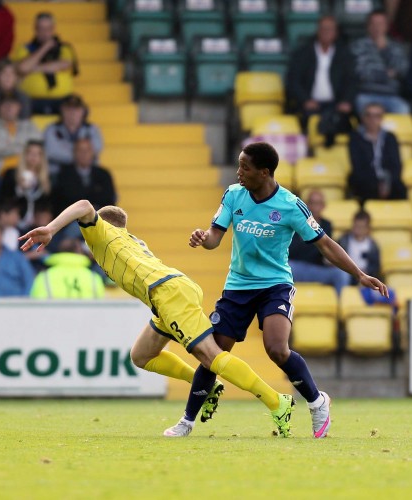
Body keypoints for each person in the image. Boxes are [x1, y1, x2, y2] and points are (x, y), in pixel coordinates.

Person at [19, 200, 298, 437]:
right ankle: (208, 385)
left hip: (167, 293)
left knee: (211, 356)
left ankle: (277, 402)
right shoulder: (131, 240)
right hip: (168, 293)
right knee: (142, 355)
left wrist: (51, 228)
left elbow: (83, 206)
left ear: (104, 225)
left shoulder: (101, 232)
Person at [166, 142, 388, 438]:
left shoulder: (290, 205)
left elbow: (325, 244)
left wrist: (359, 274)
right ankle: (187, 421)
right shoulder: (234, 195)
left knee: (276, 349)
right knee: (213, 353)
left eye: (245, 167)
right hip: (238, 285)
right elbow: (214, 238)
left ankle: (317, 402)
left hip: (275, 286)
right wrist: (202, 237)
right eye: (239, 165)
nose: (239, 172)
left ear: (264, 172)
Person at [285, 15, 355, 147]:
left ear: (336, 33)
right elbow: (293, 81)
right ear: (317, 30)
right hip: (310, 105)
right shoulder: (302, 53)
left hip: (335, 105)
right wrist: (305, 100)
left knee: (343, 120)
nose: (326, 32)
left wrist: (346, 101)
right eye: (323, 28)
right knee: (311, 121)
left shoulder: (345, 55)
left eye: (330, 29)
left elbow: (352, 81)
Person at [15, 11, 79, 114]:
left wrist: (33, 68)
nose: (45, 32)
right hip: (31, 99)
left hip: (62, 99)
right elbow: (22, 68)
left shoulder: (64, 48)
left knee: (79, 110)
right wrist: (45, 47)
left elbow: (64, 64)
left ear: (53, 29)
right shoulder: (25, 48)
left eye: (48, 29)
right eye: (41, 28)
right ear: (35, 29)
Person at [288, 190, 350, 294]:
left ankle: (340, 307)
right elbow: (292, 250)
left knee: (341, 273)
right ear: (307, 205)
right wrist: (317, 247)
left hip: (318, 268)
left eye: (318, 203)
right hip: (298, 266)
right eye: (312, 203)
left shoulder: (327, 224)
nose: (315, 207)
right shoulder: (297, 221)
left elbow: (325, 251)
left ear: (323, 206)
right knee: (286, 268)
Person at [350, 9, 410, 115]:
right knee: (365, 110)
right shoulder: (358, 46)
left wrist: (384, 49)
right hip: (366, 95)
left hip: (391, 96)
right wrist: (388, 74)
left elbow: (402, 69)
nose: (377, 27)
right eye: (373, 24)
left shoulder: (395, 47)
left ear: (386, 26)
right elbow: (361, 73)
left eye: (380, 24)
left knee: (403, 109)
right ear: (367, 26)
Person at [348, 102, 406, 201]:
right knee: (358, 181)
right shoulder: (356, 138)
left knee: (400, 187)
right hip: (366, 179)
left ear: (382, 118)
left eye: (377, 116)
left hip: (388, 179)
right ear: (363, 118)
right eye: (368, 115)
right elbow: (357, 165)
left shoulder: (390, 137)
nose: (372, 119)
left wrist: (386, 182)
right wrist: (376, 182)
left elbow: (396, 164)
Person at [0, 95, 42, 181]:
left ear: (19, 107)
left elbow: (37, 146)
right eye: (5, 105)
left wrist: (6, 146)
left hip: (25, 175)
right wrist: (22, 147)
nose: (9, 108)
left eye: (13, 105)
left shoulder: (29, 126)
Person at [43, 94, 104, 182]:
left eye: (76, 109)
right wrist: (81, 155)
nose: (73, 113)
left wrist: (67, 151)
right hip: (57, 173)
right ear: (62, 110)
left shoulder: (92, 129)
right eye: (68, 109)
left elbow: (97, 149)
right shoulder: (51, 129)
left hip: (86, 173)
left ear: (83, 111)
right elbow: (51, 151)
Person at [51, 138, 116, 216]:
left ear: (92, 153)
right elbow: (61, 201)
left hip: (99, 218)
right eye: (80, 150)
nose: (84, 153)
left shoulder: (103, 175)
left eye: (87, 150)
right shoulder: (64, 175)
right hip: (72, 219)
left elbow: (109, 201)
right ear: (74, 153)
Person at [0, 140, 52, 231]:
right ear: (24, 155)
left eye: (38, 154)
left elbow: (47, 205)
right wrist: (19, 189)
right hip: (14, 223)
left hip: (37, 225)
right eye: (30, 152)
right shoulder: (11, 174)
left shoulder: (47, 180)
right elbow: (3, 200)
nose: (33, 156)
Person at [30, 239, 104, 299]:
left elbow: (36, 307)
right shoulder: (94, 278)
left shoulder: (44, 277)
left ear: (60, 252)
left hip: (53, 317)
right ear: (79, 252)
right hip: (86, 317)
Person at [338, 210, 381, 285]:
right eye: (356, 226)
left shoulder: (373, 246)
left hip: (366, 277)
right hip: (347, 274)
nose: (358, 229)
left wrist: (366, 271)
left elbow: (375, 265)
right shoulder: (343, 241)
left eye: (361, 227)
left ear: (367, 228)